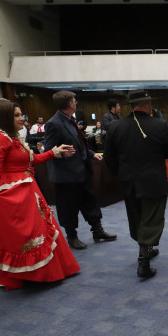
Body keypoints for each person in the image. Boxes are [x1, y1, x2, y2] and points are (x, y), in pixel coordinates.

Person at [0, 100, 80, 290]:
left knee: (39, 231)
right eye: (17, 115)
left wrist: (54, 152)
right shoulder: (0, 138)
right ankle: (29, 275)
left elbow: (31, 160)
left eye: (22, 115)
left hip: (28, 191)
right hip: (15, 194)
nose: (22, 119)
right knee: (27, 235)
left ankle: (47, 271)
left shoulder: (14, 138)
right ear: (6, 118)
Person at [104, 91, 168, 279]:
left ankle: (146, 249)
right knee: (151, 219)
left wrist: (120, 175)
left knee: (137, 218)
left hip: (128, 182)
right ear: (148, 104)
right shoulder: (159, 125)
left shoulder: (115, 126)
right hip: (153, 181)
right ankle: (143, 262)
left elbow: (108, 158)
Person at [44, 90, 117, 250]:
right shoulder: (54, 123)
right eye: (75, 100)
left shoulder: (71, 120)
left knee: (91, 201)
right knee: (69, 207)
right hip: (66, 175)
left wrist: (91, 154)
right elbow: (48, 151)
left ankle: (98, 231)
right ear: (70, 104)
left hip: (82, 170)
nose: (76, 103)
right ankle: (72, 236)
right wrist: (62, 153)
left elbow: (79, 143)